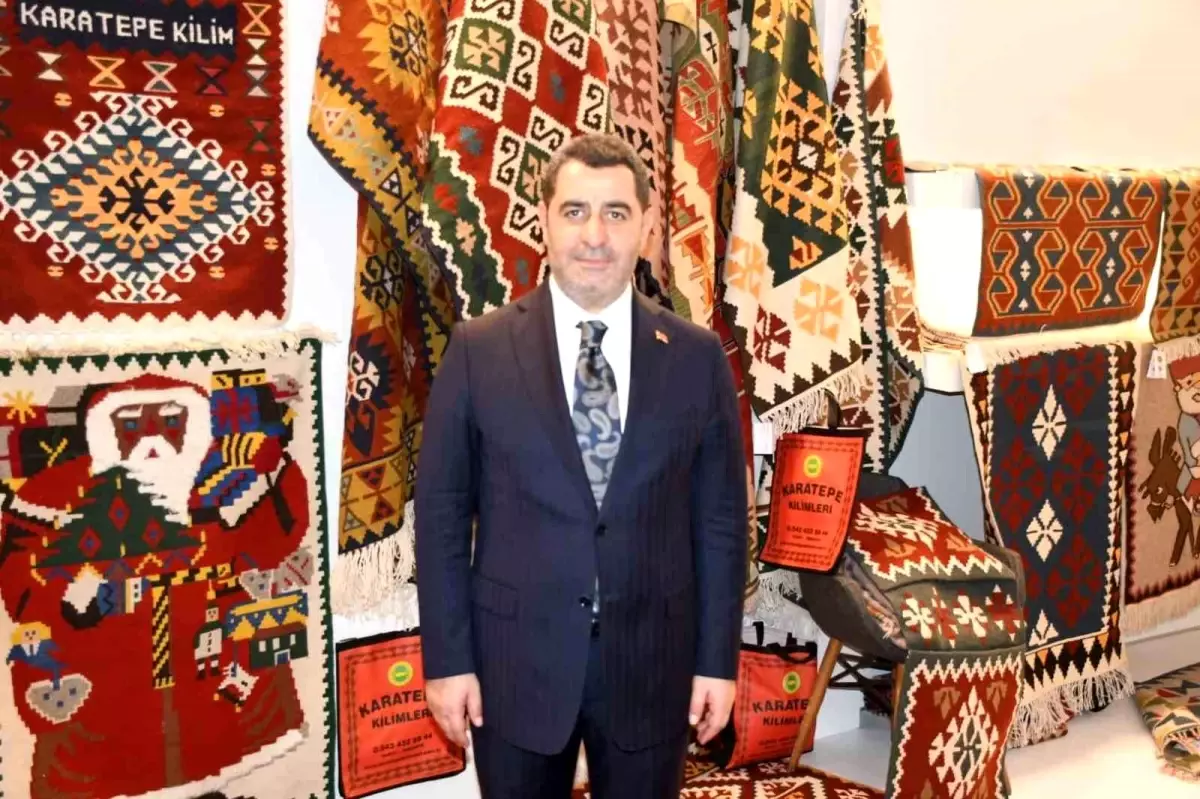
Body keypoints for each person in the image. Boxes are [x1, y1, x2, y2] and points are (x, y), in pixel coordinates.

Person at [415, 133, 748, 798]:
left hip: (652, 666)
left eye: (616, 213)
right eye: (575, 211)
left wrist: (718, 661)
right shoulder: (478, 351)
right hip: (514, 667)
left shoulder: (697, 357)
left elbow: (720, 524)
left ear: (647, 227)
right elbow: (442, 517)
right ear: (544, 221)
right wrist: (448, 662)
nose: (595, 235)